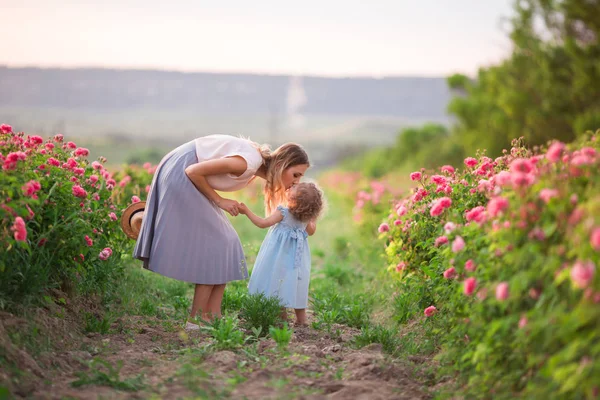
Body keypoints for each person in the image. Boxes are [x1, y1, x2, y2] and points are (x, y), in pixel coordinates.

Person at [128, 134, 310, 329]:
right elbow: (193, 170)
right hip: (179, 171)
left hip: (183, 171)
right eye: (296, 174)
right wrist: (219, 200)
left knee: (227, 242)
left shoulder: (253, 167)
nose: (297, 181)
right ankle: (196, 319)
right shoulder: (248, 163)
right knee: (219, 243)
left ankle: (212, 315)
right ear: (283, 164)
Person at [239, 182, 324, 326]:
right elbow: (312, 231)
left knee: (278, 281)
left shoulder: (283, 212)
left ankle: (282, 318)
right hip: (297, 260)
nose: (290, 187)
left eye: (294, 188)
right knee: (297, 283)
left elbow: (263, 223)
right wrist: (313, 218)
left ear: (295, 200)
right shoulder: (305, 219)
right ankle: (301, 319)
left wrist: (246, 210)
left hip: (279, 256)